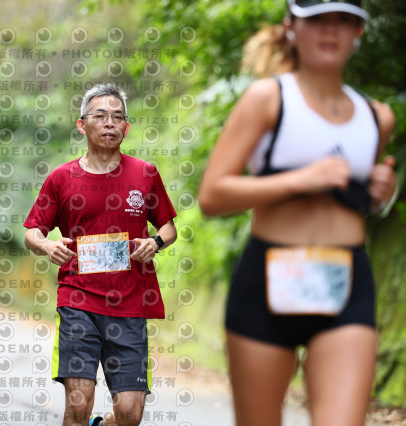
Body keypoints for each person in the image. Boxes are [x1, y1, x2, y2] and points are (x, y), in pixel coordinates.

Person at [198, 1, 396, 425]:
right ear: (291, 27)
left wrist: (379, 193)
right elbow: (213, 195)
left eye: (344, 20)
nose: (331, 31)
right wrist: (301, 180)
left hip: (346, 284)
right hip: (268, 279)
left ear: (359, 32)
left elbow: (356, 200)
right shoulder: (268, 98)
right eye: (317, 20)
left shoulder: (377, 116)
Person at [24, 83, 177, 426]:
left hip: (130, 304)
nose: (110, 123)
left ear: (126, 127)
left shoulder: (145, 173)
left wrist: (156, 243)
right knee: (78, 406)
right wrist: (47, 245)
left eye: (117, 117)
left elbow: (169, 228)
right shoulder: (61, 178)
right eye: (101, 116)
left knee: (130, 415)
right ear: (82, 125)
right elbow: (32, 232)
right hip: (78, 301)